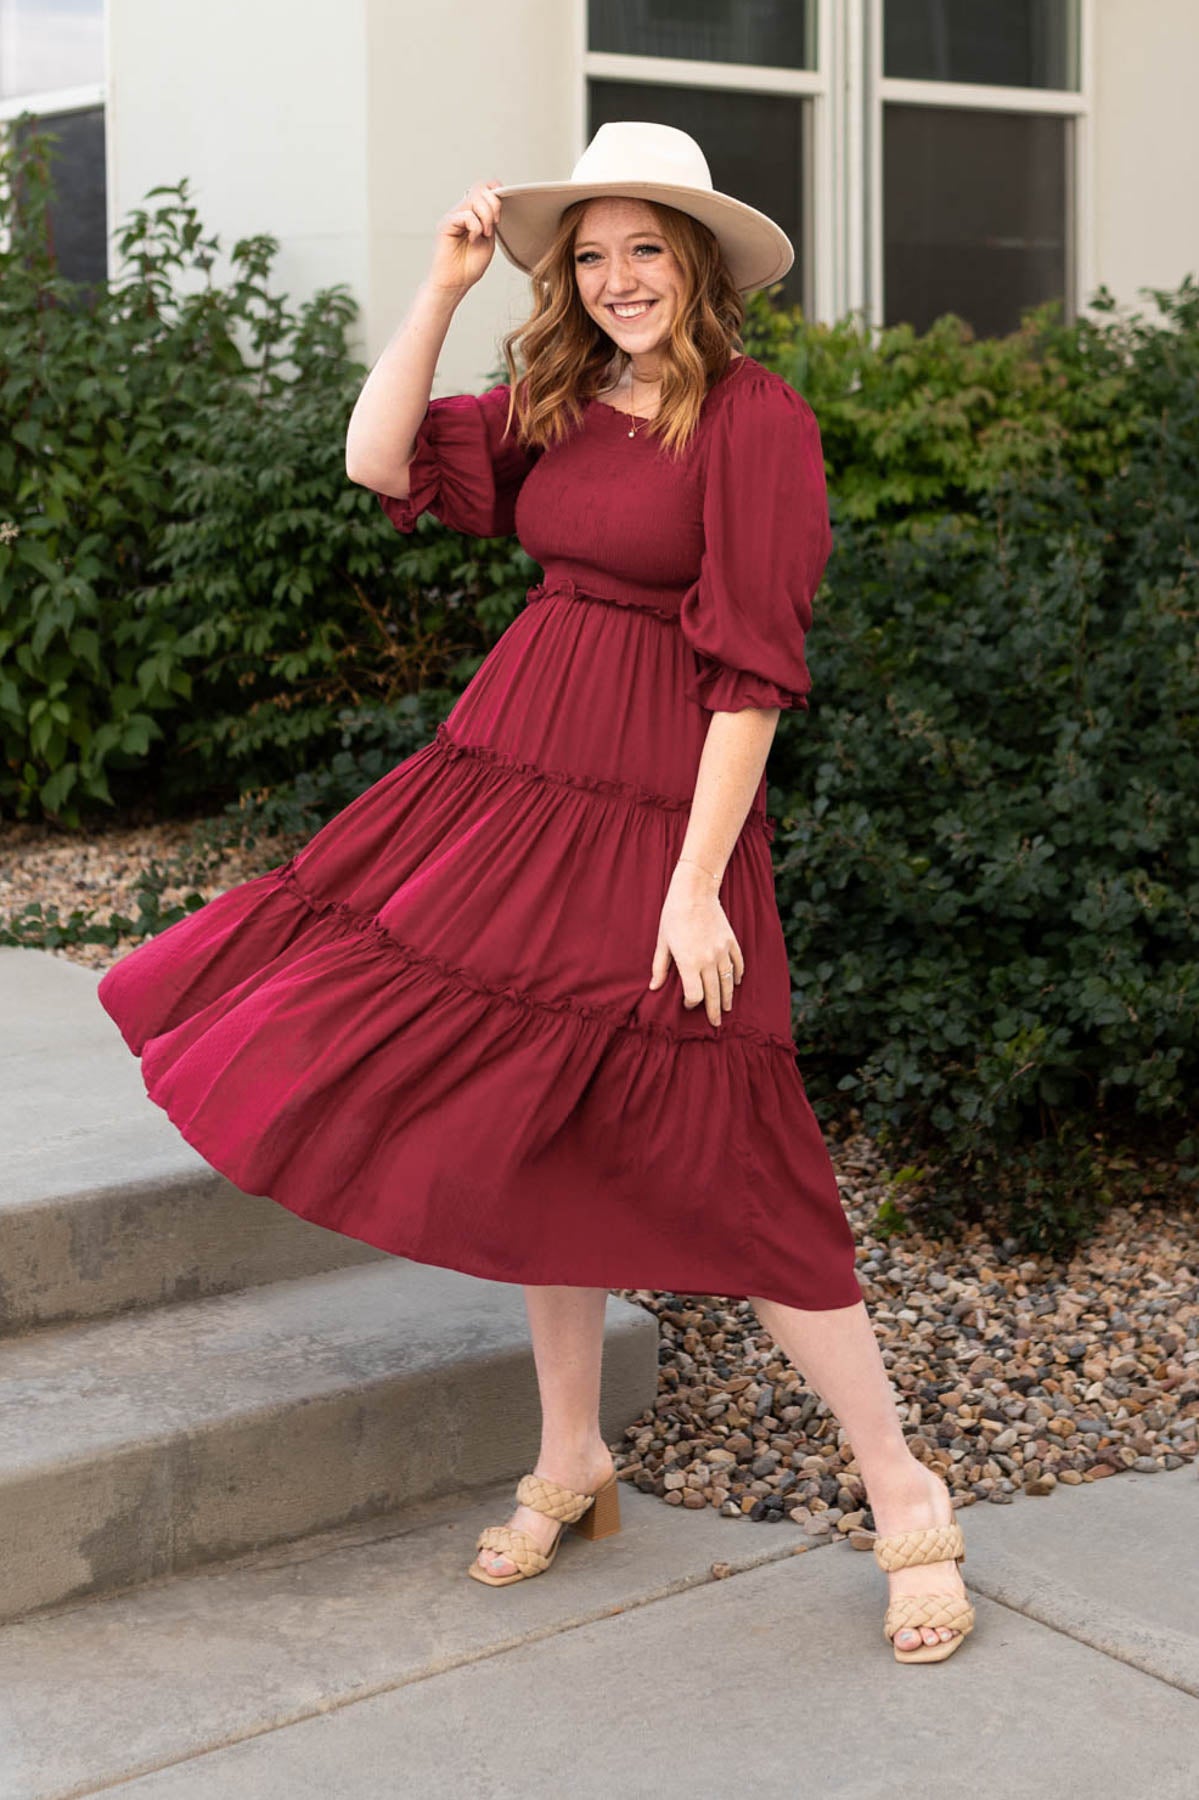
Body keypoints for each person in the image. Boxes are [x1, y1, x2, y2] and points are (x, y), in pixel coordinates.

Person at [97, 122, 974, 1663]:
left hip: (663, 816)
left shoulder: (757, 421)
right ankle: (574, 1456)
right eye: (592, 253)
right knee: (533, 1112)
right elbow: (379, 459)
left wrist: (696, 890)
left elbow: (755, 673)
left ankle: (905, 1495)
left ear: (698, 266)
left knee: (734, 1154)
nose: (620, 279)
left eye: (648, 250)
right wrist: (437, 286)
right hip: (512, 770)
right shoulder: (562, 400)